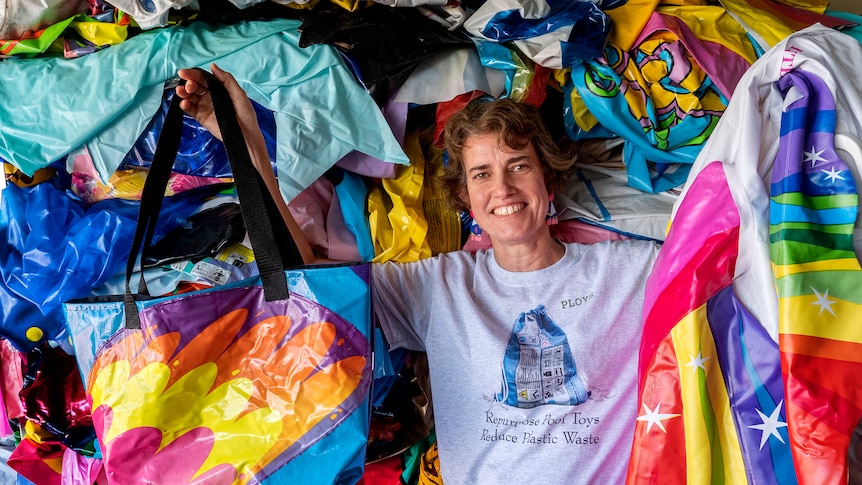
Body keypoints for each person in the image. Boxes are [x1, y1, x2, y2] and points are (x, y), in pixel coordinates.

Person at [176, 64, 660, 484]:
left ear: (547, 179)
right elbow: (305, 287)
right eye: (481, 174)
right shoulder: (439, 284)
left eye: (519, 165)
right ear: (465, 197)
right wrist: (249, 148)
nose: (503, 187)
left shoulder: (629, 271)